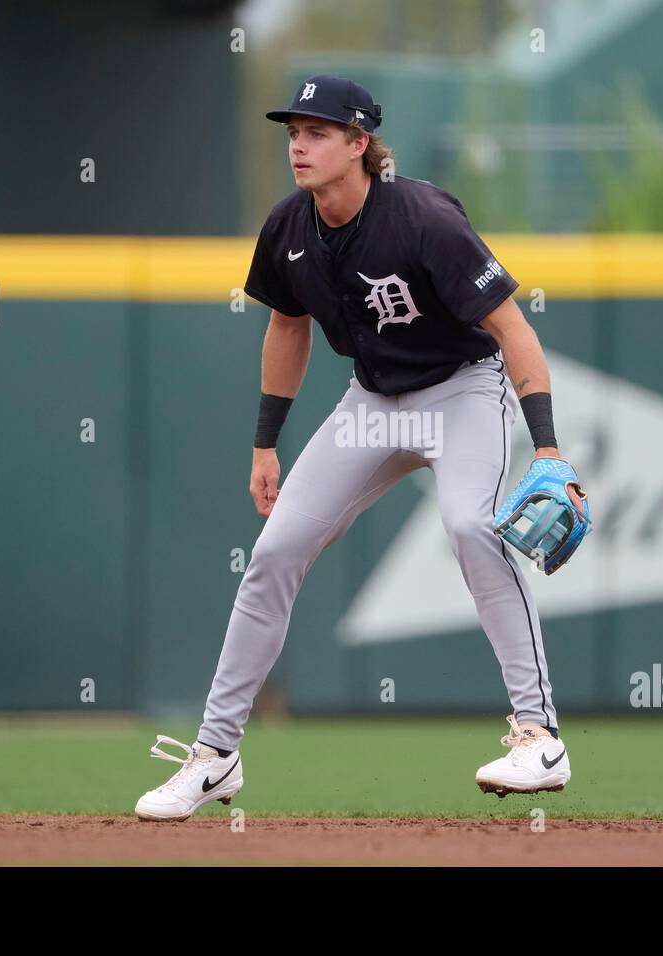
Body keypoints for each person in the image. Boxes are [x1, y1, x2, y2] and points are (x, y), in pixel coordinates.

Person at [136, 75, 586, 822]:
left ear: (360, 143)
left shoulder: (424, 217)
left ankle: (540, 736)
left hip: (460, 391)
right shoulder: (289, 227)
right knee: (274, 554)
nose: (300, 146)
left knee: (474, 528)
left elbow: (513, 330)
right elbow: (287, 325)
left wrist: (546, 451)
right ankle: (215, 756)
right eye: (292, 133)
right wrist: (265, 445)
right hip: (373, 403)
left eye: (317, 132)